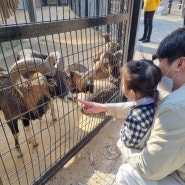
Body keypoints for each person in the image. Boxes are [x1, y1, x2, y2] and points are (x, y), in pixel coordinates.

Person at [80, 27, 185, 185]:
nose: (160, 74)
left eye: (162, 67)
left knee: (126, 173)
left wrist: (122, 144)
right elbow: (149, 104)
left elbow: (148, 168)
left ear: (180, 64)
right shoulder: (174, 99)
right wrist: (105, 107)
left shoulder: (175, 108)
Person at [78, 59, 162, 154]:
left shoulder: (135, 117)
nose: (121, 86)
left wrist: (121, 135)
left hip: (136, 153)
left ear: (131, 92)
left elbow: (128, 142)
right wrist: (102, 107)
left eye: (123, 84)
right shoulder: (153, 100)